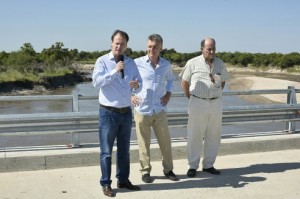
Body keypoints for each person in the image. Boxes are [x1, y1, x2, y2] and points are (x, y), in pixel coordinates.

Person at [92, 29, 142, 197]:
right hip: (108, 113)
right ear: (111, 43)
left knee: (124, 150)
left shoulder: (131, 63)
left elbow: (139, 83)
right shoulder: (102, 61)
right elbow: (96, 82)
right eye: (116, 43)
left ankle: (123, 180)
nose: (119, 46)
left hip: (126, 112)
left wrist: (136, 86)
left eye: (122, 44)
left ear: (127, 45)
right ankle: (106, 183)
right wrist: (114, 70)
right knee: (106, 151)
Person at [179, 37, 230, 177]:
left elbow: (223, 81)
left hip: (215, 103)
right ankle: (192, 166)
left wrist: (216, 93)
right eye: (209, 49)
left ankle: (208, 165)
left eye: (213, 48)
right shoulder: (192, 63)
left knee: (213, 135)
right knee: (195, 135)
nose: (212, 51)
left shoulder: (220, 63)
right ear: (202, 49)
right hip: (197, 102)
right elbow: (184, 82)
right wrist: (191, 96)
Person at [131, 34, 178, 183]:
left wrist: (169, 94)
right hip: (142, 110)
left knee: (166, 142)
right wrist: (130, 95)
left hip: (159, 110)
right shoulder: (136, 63)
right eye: (150, 46)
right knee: (143, 144)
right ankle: (145, 172)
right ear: (147, 46)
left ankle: (168, 170)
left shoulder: (166, 64)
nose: (152, 49)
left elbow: (171, 80)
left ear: (161, 48)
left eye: (155, 47)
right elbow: (126, 80)